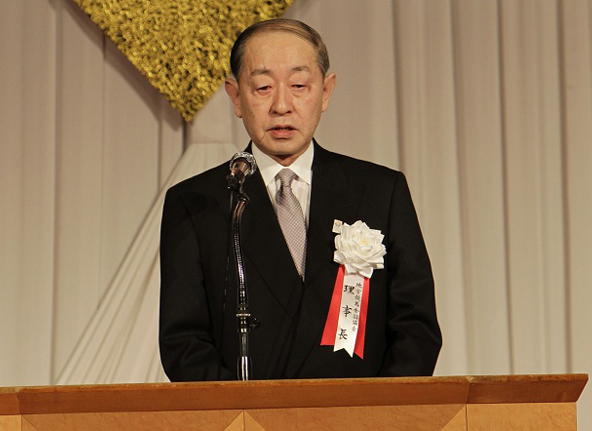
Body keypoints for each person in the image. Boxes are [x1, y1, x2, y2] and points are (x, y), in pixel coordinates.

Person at [159, 19, 441, 381]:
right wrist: (247, 410)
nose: (282, 105)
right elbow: (184, 344)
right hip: (247, 411)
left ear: (325, 91)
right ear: (236, 96)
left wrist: (378, 407)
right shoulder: (197, 203)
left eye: (298, 86)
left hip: (360, 410)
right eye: (263, 87)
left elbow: (415, 328)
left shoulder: (379, 192)